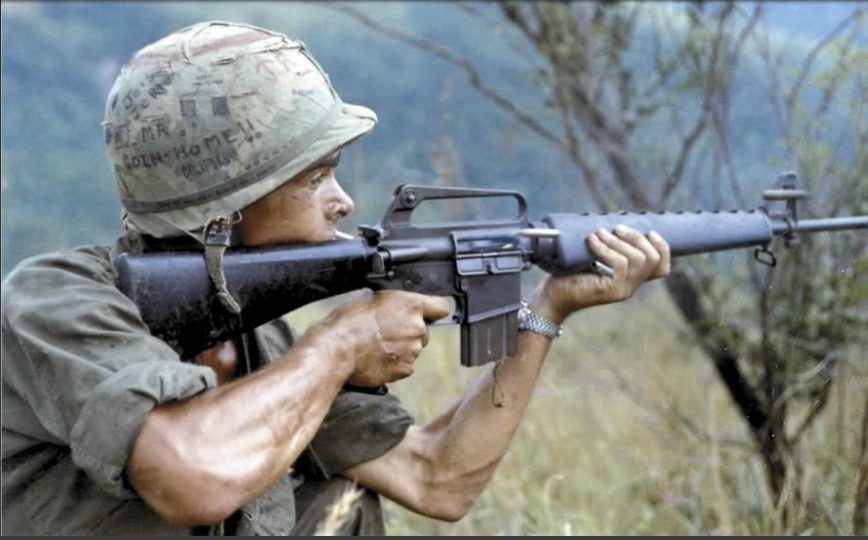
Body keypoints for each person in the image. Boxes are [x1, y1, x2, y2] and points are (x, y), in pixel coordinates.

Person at [0, 21, 671, 535]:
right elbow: (190, 476)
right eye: (316, 177)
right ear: (223, 214)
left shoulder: (259, 342)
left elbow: (437, 478)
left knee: (341, 504)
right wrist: (342, 344)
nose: (343, 201)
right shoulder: (57, 301)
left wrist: (547, 308)